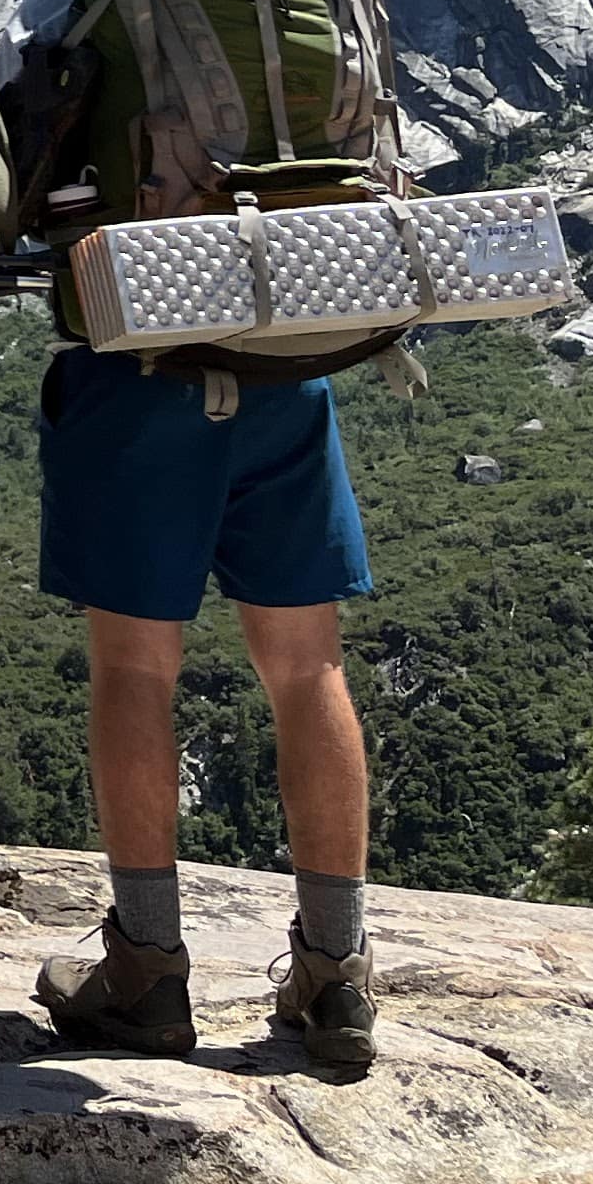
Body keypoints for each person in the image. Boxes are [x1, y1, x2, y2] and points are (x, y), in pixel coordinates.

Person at [23, 341, 380, 1070]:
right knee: (308, 664)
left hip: (141, 382)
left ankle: (147, 972)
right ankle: (338, 976)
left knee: (135, 663)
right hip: (285, 374)